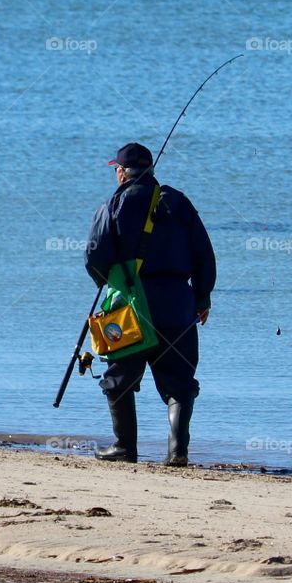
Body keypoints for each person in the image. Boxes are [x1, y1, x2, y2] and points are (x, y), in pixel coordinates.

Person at [84, 142, 216, 467]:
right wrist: (202, 297)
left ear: (121, 173)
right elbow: (204, 253)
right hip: (177, 305)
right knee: (179, 382)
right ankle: (178, 452)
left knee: (119, 378)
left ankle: (124, 447)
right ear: (151, 170)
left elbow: (94, 257)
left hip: (130, 308)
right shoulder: (179, 202)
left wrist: (109, 280)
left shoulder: (112, 205)